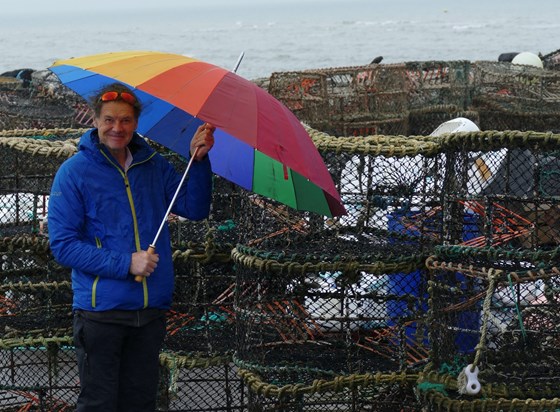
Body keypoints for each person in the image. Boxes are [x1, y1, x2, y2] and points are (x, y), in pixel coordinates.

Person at [48, 82, 214, 411]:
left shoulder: (153, 165)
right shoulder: (74, 173)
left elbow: (195, 208)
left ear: (136, 123)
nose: (117, 128)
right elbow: (63, 246)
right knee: (100, 403)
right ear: (94, 120)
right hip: (101, 315)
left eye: (125, 120)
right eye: (109, 119)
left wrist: (198, 161)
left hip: (150, 312)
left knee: (140, 402)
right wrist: (126, 263)